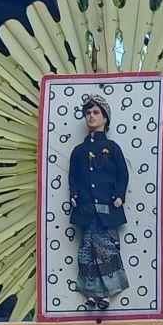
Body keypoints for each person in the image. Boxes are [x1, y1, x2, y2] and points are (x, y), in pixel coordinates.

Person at [67, 95, 130, 310]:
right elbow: (73, 176)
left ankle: (107, 294)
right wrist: (73, 194)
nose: (91, 117)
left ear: (105, 118)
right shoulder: (78, 151)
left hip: (107, 208)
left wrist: (120, 195)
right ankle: (92, 293)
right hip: (86, 209)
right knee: (87, 252)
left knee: (106, 250)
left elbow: (123, 173)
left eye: (96, 113)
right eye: (88, 113)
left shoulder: (112, 148)